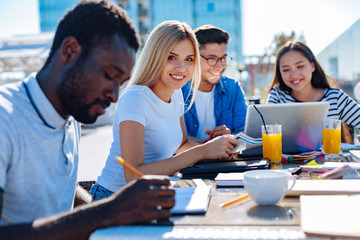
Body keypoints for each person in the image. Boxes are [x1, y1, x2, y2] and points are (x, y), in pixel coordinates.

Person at [0, 1, 175, 239]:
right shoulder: (5, 118)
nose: (114, 96)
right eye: (109, 75)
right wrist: (111, 211)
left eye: (120, 84)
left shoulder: (71, 116)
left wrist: (127, 208)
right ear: (70, 50)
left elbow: (62, 192)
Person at [91, 21, 238, 200]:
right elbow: (134, 174)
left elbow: (182, 144)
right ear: (155, 56)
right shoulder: (135, 98)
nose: (181, 68)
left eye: (189, 59)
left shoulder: (176, 94)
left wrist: (217, 146)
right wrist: (202, 152)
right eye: (171, 57)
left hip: (153, 195)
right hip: (115, 199)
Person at [267, 41, 360, 128]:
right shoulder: (277, 96)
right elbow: (264, 131)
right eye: (286, 70)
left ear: (312, 66)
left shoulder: (335, 98)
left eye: (300, 66)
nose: (294, 75)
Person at [181, 25, 247, 143]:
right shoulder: (178, 90)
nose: (220, 66)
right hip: (188, 161)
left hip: (225, 159)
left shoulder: (233, 89)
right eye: (212, 58)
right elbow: (176, 138)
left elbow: (243, 130)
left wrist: (231, 138)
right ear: (194, 57)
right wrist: (211, 147)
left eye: (223, 58)